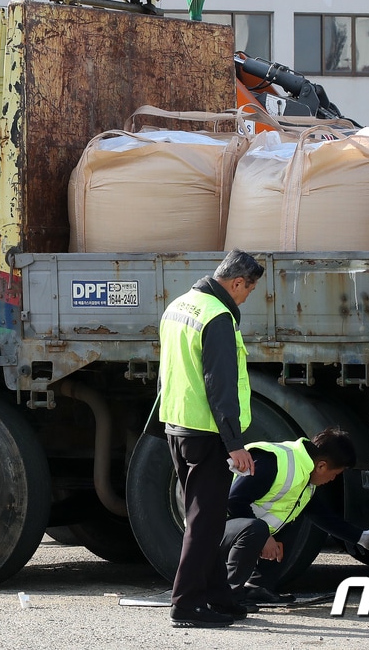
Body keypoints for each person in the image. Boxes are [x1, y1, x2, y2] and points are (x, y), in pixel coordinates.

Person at [148, 248, 264, 628]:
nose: (247, 296)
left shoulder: (179, 306)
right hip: (208, 433)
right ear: (235, 282)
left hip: (178, 427)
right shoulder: (218, 316)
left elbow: (168, 371)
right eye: (248, 289)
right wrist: (235, 443)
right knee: (205, 522)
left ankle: (219, 598)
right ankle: (186, 605)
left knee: (206, 518)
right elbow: (220, 385)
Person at [222, 427, 369, 606]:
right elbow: (233, 501)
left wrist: (361, 537)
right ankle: (228, 594)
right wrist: (264, 538)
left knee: (294, 515)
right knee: (258, 529)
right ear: (322, 466)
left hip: (241, 529)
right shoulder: (274, 462)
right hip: (215, 529)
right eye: (334, 474)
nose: (332, 479)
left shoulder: (304, 475)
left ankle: (257, 587)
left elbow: (321, 515)